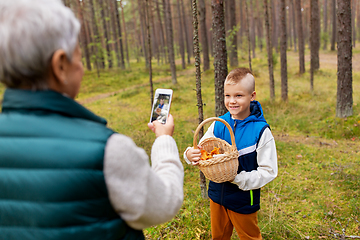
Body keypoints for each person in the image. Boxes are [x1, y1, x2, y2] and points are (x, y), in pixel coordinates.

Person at [0, 1, 183, 239]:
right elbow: (165, 203)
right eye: (79, 56)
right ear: (60, 65)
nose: (82, 67)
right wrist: (164, 141)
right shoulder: (107, 150)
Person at [184, 68, 278, 240]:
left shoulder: (260, 131)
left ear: (252, 96)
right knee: (218, 237)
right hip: (217, 195)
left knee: (250, 237)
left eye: (239, 96)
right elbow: (201, 149)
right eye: (228, 96)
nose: (232, 101)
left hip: (243, 198)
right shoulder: (219, 124)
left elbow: (269, 170)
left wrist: (239, 179)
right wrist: (190, 154)